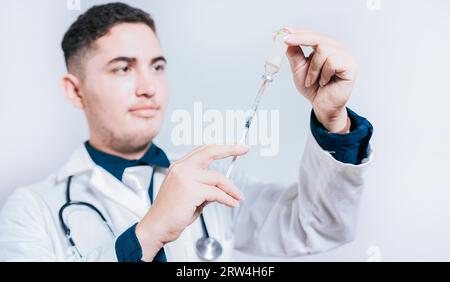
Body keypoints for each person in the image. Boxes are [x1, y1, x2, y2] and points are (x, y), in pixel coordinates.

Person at [0, 2, 373, 262]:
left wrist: (332, 119)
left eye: (157, 66)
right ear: (75, 90)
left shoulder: (214, 180)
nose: (148, 86)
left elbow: (319, 228)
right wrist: (147, 234)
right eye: (123, 69)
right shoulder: (32, 209)